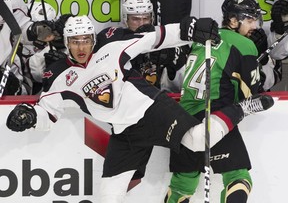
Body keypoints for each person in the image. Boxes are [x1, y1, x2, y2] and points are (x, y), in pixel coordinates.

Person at [5, 15, 274, 203]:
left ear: (92, 39)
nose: (82, 46)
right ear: (66, 42)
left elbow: (154, 38)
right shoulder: (60, 76)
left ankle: (242, 108)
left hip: (152, 110)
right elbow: (48, 111)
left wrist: (188, 30)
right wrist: (30, 116)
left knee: (196, 141)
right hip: (124, 134)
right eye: (75, 41)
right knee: (110, 195)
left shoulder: (111, 47)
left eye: (86, 39)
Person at [165, 0, 265, 203]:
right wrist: (256, 64)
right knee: (238, 178)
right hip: (215, 116)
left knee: (182, 185)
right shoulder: (244, 45)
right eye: (249, 20)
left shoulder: (202, 40)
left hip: (183, 119)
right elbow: (250, 96)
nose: (254, 25)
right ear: (233, 20)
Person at [120, 0, 190, 92]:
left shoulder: (165, 42)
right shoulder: (118, 43)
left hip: (159, 101)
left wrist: (170, 64)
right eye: (135, 19)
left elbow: (183, 85)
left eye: (146, 18)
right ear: (125, 19)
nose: (141, 24)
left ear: (152, 18)